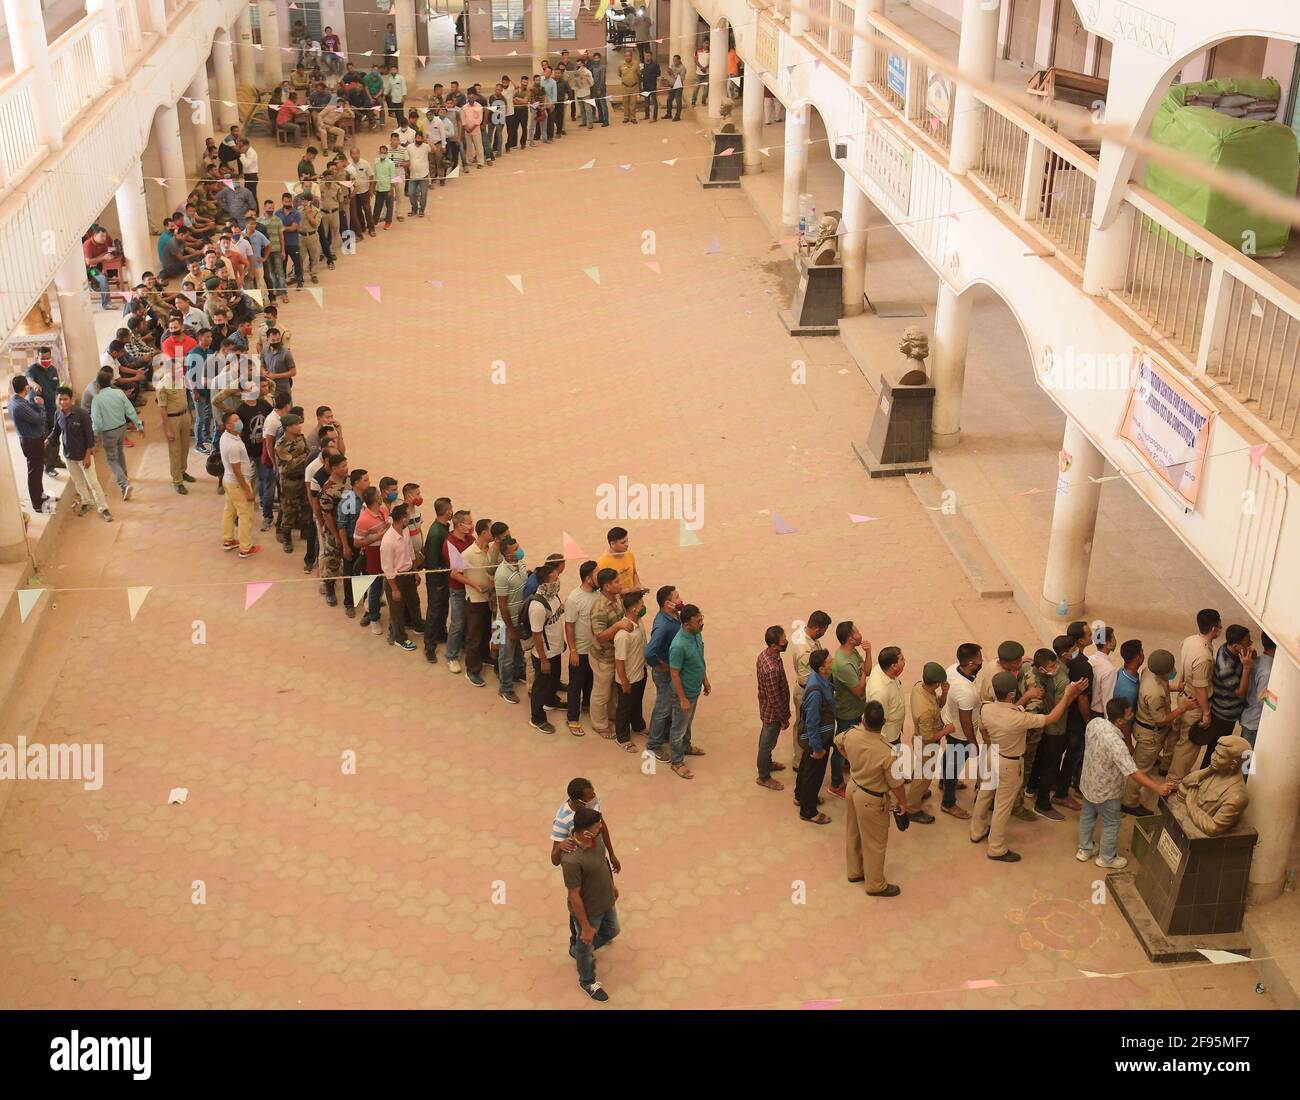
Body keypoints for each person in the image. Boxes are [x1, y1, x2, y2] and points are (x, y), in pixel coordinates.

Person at [971, 671, 1085, 863]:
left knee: (985, 794)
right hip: (1009, 763)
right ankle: (996, 848)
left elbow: (984, 728)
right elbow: (1051, 718)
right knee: (1002, 806)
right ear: (1011, 694)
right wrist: (1067, 695)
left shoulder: (987, 708)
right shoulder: (1018, 718)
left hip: (993, 754)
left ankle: (977, 830)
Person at [1078, 698, 1174, 869]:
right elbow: (1133, 772)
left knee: (1087, 816)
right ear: (1120, 720)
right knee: (1111, 823)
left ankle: (1085, 849)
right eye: (1130, 713)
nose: (1132, 715)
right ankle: (1107, 858)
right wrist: (1158, 787)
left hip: (1088, 782)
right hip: (1107, 791)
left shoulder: (1094, 723)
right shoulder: (1116, 743)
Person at [837, 701, 910, 896]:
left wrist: (850, 758)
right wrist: (903, 803)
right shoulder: (887, 752)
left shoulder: (852, 734)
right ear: (883, 722)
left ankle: (854, 871)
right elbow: (897, 784)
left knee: (853, 832)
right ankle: (875, 884)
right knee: (875, 843)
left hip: (853, 787)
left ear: (862, 719)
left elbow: (838, 742)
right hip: (872, 797)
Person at [560, 807, 619, 1003]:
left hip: (606, 900)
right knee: (586, 950)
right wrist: (585, 926)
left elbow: (602, 863)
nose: (601, 827)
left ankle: (578, 949)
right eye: (597, 826)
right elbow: (574, 895)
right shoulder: (571, 859)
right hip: (589, 911)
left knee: (612, 931)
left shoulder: (597, 838)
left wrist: (612, 886)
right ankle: (587, 980)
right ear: (585, 832)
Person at [1122, 649, 1189, 814]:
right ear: (1164, 672)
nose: (1174, 671)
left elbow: (1164, 685)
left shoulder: (1149, 671)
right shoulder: (1154, 693)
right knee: (1140, 769)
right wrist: (1183, 708)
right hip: (1150, 733)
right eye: (1171, 669)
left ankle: (1154, 761)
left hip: (1152, 730)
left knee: (1147, 760)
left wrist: (1175, 688)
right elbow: (1161, 720)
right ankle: (1129, 802)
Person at [1167, 609, 1220, 787]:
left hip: (1184, 697)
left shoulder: (1190, 640)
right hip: (1195, 703)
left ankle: (1165, 765)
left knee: (1174, 735)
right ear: (1214, 629)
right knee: (1187, 746)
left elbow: (1184, 664)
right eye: (1219, 625)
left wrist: (1181, 681)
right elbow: (1201, 688)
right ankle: (1174, 781)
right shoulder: (1204, 657)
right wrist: (1206, 713)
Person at [49, 387, 111, 521]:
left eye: (65, 399)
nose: (62, 402)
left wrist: (88, 455)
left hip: (84, 456)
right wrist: (47, 440)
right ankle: (86, 502)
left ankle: (104, 508)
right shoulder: (58, 414)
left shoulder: (82, 414)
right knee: (78, 482)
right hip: (69, 456)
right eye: (60, 399)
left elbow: (90, 437)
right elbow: (56, 431)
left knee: (93, 483)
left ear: (71, 400)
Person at [666, 604, 709, 778]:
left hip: (695, 689)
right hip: (683, 695)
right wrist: (682, 698)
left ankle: (686, 746)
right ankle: (676, 761)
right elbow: (674, 674)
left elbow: (699, 659)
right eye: (698, 621)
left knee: (687, 722)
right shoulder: (678, 646)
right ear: (686, 624)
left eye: (701, 619)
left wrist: (705, 680)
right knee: (678, 728)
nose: (701, 623)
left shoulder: (696, 635)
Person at [829, 621, 872, 799]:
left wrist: (868, 652)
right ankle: (836, 783)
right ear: (850, 639)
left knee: (848, 742)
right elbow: (859, 690)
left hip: (856, 708)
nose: (859, 634)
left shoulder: (853, 651)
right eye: (856, 632)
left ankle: (846, 763)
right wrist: (862, 674)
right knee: (841, 745)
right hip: (847, 711)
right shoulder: (843, 663)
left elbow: (867, 670)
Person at [940, 642, 982, 819]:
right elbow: (966, 721)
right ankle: (948, 803)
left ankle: (943, 781)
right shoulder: (966, 692)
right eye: (980, 658)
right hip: (960, 734)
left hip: (949, 721)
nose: (982, 662)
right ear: (971, 664)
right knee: (954, 767)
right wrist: (973, 743)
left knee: (949, 756)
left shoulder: (952, 668)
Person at [588, 567, 631, 738]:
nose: (620, 584)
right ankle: (599, 724)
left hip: (616, 654)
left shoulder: (616, 597)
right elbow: (600, 637)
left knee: (614, 690)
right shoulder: (599, 607)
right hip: (603, 657)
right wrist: (618, 626)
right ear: (606, 586)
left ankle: (612, 715)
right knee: (601, 693)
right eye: (617, 582)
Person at [794, 649, 835, 824]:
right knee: (814, 773)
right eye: (829, 661)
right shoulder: (816, 692)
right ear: (822, 669)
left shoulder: (820, 678)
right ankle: (808, 811)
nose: (833, 661)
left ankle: (800, 795)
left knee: (805, 767)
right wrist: (817, 748)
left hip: (816, 738)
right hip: (816, 740)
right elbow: (811, 724)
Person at [905, 663, 950, 824]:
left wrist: (944, 693)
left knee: (920, 770)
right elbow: (928, 738)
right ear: (937, 683)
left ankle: (919, 792)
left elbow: (938, 704)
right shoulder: (926, 711)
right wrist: (946, 730)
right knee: (924, 776)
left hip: (919, 740)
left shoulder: (919, 687)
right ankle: (912, 808)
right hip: (926, 745)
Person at [528, 561, 568, 735]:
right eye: (554, 579)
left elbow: (554, 618)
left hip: (556, 649)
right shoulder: (537, 606)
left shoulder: (553, 596)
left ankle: (551, 701)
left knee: (554, 679)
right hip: (544, 653)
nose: (557, 582)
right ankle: (537, 718)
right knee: (541, 686)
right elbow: (537, 634)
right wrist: (543, 660)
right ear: (545, 583)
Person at [790, 611, 831, 776]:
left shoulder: (807, 637)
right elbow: (809, 679)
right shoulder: (805, 652)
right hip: (807, 691)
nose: (824, 634)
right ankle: (800, 759)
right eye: (824, 630)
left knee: (804, 723)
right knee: (804, 725)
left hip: (809, 687)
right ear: (816, 629)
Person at [563, 561, 602, 736]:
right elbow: (569, 626)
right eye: (597, 574)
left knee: (591, 680)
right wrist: (573, 651)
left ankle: (586, 704)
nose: (599, 577)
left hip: (595, 650)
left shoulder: (599, 594)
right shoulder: (574, 599)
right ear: (588, 578)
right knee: (575, 685)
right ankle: (572, 717)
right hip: (580, 651)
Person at [90, 375, 143, 501]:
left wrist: (94, 436)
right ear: (110, 382)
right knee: (120, 452)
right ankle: (125, 476)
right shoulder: (119, 393)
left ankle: (124, 484)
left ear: (98, 385)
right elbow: (129, 409)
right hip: (122, 429)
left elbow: (96, 422)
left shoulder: (97, 400)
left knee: (112, 459)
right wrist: (138, 425)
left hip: (109, 433)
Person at [1207, 624, 1253, 767]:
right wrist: (1246, 667)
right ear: (1236, 645)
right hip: (1223, 714)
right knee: (1216, 749)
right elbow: (1240, 692)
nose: (1250, 644)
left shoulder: (1228, 648)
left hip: (1229, 711)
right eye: (1247, 641)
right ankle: (1204, 777)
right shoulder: (1225, 666)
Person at [462, 518, 499, 685]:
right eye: (492, 530)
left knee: (487, 631)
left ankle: (485, 657)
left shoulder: (491, 550)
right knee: (474, 636)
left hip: (489, 599)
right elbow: (455, 573)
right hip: (475, 600)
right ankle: (472, 670)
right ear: (484, 532)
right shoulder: (468, 553)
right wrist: (474, 585)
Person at [218, 410, 259, 557]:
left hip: (228, 481)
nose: (239, 422)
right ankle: (246, 547)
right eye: (235, 420)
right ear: (228, 426)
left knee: (230, 510)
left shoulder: (227, 437)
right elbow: (237, 470)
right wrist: (247, 490)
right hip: (237, 483)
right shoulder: (233, 446)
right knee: (245, 514)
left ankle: (228, 539)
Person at [8, 375, 51, 513]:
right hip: (32, 442)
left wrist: (34, 402)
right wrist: (41, 405)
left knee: (37, 471)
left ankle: (41, 495)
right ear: (26, 387)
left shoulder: (15, 400)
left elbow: (30, 410)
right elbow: (39, 420)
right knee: (34, 473)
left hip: (31, 439)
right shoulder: (19, 405)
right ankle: (37, 504)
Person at [755, 625, 791, 790]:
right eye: (783, 641)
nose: (786, 642)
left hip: (766, 707)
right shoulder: (772, 669)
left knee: (766, 740)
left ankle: (767, 763)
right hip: (772, 713)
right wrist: (784, 718)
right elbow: (775, 698)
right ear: (774, 645)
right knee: (767, 744)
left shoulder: (765, 655)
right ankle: (763, 776)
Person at [381, 503, 420, 652]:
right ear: (403, 519)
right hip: (395, 579)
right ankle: (400, 638)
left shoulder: (405, 532)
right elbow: (387, 568)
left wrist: (415, 571)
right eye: (408, 516)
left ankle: (416, 625)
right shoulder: (388, 541)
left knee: (413, 601)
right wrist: (394, 589)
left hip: (408, 573)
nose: (409, 518)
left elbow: (411, 552)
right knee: (397, 610)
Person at [613, 592, 649, 752]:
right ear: (633, 609)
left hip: (640, 672)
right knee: (624, 708)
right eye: (641, 605)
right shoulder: (623, 635)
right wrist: (624, 681)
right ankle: (622, 737)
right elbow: (619, 660)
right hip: (628, 678)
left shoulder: (638, 622)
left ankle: (638, 725)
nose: (643, 608)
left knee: (637, 702)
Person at [494, 536, 528, 703]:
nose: (519, 551)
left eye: (518, 547)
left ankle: (519, 672)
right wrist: (511, 628)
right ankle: (505, 688)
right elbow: (502, 605)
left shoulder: (521, 564)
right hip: (504, 622)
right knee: (505, 656)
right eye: (515, 549)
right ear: (507, 554)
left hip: (519, 618)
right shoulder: (501, 574)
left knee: (519, 650)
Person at [154, 359, 195, 494]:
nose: (179, 371)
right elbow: (162, 410)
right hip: (172, 420)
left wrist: (190, 414)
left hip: (184, 416)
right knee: (175, 451)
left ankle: (183, 471)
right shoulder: (162, 386)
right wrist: (168, 430)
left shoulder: (181, 380)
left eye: (179, 369)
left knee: (185, 448)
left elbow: (185, 398)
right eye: (175, 369)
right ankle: (177, 481)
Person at [422, 497, 453, 663]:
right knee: (434, 611)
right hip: (437, 580)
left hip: (444, 578)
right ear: (446, 511)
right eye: (451, 509)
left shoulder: (443, 528)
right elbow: (432, 562)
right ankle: (429, 645)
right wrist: (440, 584)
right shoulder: (436, 533)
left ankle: (441, 634)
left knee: (443, 608)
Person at [274, 413, 310, 553]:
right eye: (296, 424)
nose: (299, 426)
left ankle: (304, 530)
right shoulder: (280, 445)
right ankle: (286, 537)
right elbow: (289, 465)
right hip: (290, 483)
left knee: (306, 506)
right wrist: (303, 457)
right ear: (288, 427)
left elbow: (308, 453)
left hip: (302, 479)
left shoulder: (301, 438)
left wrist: (300, 457)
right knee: (289, 511)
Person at [1240, 633, 1275, 758]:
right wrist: (1278, 705)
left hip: (1248, 716)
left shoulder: (1258, 660)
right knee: (1247, 763)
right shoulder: (1268, 671)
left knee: (1245, 759)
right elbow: (1263, 700)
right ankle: (1244, 778)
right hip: (1254, 721)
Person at [597, 525, 642, 594]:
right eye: (623, 542)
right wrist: (629, 590)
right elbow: (605, 589)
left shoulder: (629, 554)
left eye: (627, 541)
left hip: (633, 597)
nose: (627, 544)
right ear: (612, 544)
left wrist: (638, 587)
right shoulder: (602, 562)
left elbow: (634, 573)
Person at [618, 50, 641, 124]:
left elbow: (639, 74)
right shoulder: (621, 65)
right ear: (624, 57)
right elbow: (619, 74)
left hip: (634, 87)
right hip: (625, 87)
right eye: (626, 56)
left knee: (633, 103)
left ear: (631, 56)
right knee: (625, 103)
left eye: (629, 55)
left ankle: (633, 117)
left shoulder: (636, 64)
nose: (627, 57)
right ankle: (626, 117)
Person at [692, 39, 709, 106]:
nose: (707, 45)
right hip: (698, 73)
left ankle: (703, 101)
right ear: (703, 43)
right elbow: (695, 60)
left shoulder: (711, 52)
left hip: (707, 73)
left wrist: (705, 68)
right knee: (696, 88)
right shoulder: (697, 51)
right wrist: (701, 67)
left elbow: (712, 61)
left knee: (706, 89)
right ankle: (693, 101)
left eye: (708, 43)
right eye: (705, 43)